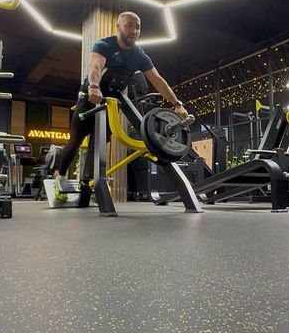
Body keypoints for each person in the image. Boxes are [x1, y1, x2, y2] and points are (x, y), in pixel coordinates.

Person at [54, 11, 190, 201]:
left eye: (137, 27)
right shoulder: (104, 45)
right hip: (90, 98)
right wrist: (94, 86)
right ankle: (59, 176)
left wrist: (177, 104)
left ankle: (87, 182)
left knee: (100, 143)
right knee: (75, 141)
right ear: (118, 27)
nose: (134, 30)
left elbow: (158, 81)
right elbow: (95, 67)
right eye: (129, 25)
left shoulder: (140, 55)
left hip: (111, 102)